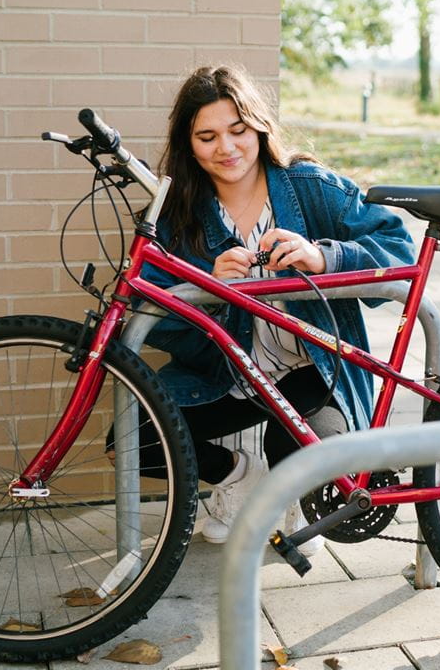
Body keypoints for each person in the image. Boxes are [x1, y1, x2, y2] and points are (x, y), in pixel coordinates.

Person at [119, 64, 415, 556]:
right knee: (132, 440)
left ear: (259, 126)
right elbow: (151, 316)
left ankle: (288, 492)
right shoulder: (179, 214)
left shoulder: (308, 187)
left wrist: (325, 257)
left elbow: (399, 249)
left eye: (238, 130)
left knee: (302, 460)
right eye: (208, 136)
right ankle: (238, 476)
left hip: (313, 371)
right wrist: (209, 288)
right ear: (189, 144)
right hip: (227, 375)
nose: (227, 148)